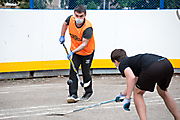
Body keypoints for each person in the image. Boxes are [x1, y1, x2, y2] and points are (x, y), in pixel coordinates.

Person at [110, 49, 180, 120]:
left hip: (153, 67)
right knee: (163, 91)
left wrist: (128, 98)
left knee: (138, 93)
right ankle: (178, 118)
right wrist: (122, 94)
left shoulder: (122, 64)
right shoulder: (133, 61)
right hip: (166, 64)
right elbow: (135, 81)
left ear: (115, 61)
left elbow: (131, 78)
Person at [59, 5, 95, 103]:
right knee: (73, 71)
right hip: (75, 51)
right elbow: (64, 24)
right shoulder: (70, 19)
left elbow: (84, 43)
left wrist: (72, 52)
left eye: (81, 16)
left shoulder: (88, 28)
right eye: (77, 15)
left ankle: (88, 91)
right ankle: (73, 94)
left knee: (85, 72)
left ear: (85, 15)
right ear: (74, 14)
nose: (78, 18)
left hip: (87, 52)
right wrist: (62, 35)